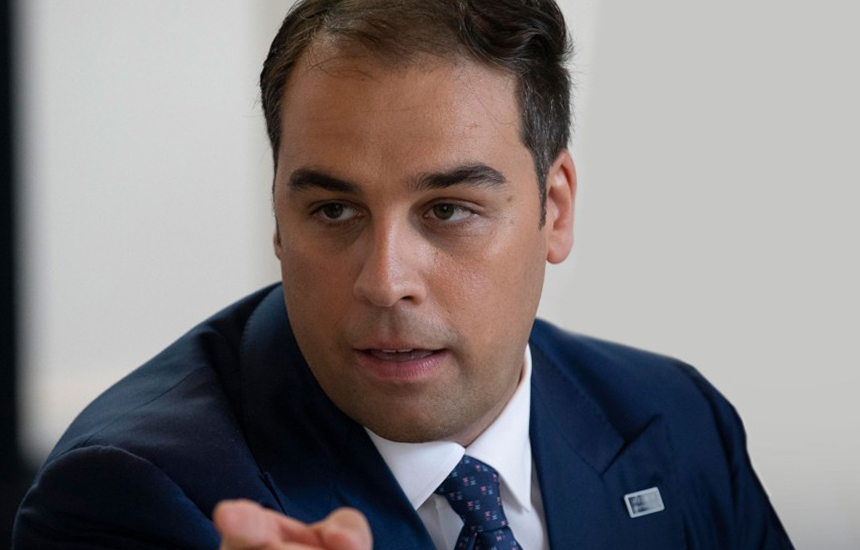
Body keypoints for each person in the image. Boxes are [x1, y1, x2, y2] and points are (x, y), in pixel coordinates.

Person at [14, 1, 794, 549]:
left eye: (448, 210)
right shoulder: (130, 499)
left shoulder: (678, 421)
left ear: (554, 210)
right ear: (278, 216)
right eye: (332, 211)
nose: (385, 282)